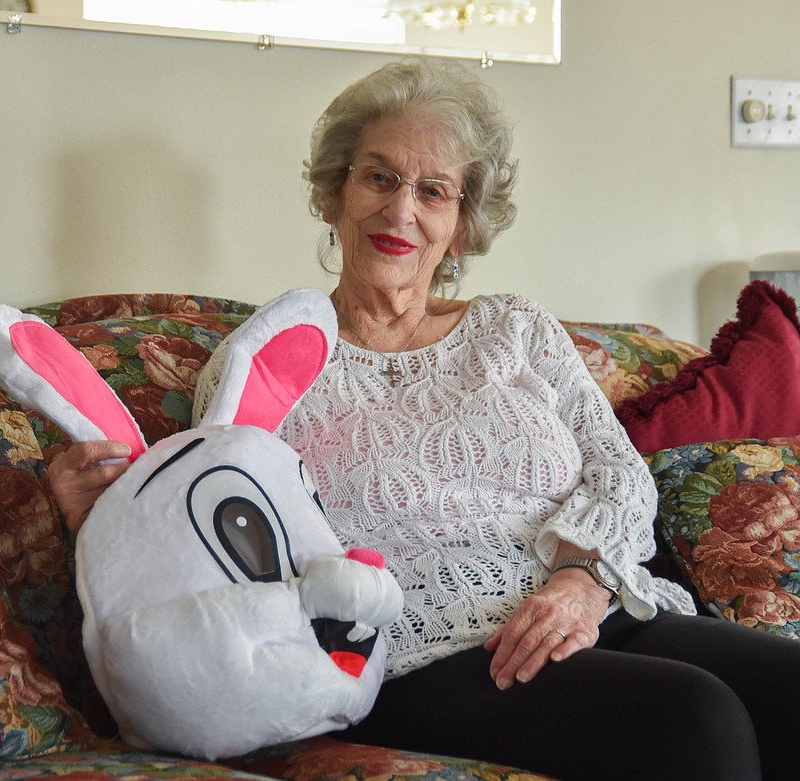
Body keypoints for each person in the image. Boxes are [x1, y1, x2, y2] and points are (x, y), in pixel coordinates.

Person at [46, 59, 800, 781]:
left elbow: (618, 471)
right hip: (422, 658)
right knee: (697, 718)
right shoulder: (271, 363)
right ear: (334, 193)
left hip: (587, 604)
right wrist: (99, 509)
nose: (400, 209)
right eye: (379, 176)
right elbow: (216, 538)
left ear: (463, 227)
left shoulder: (517, 329)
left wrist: (581, 579)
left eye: (433, 190)